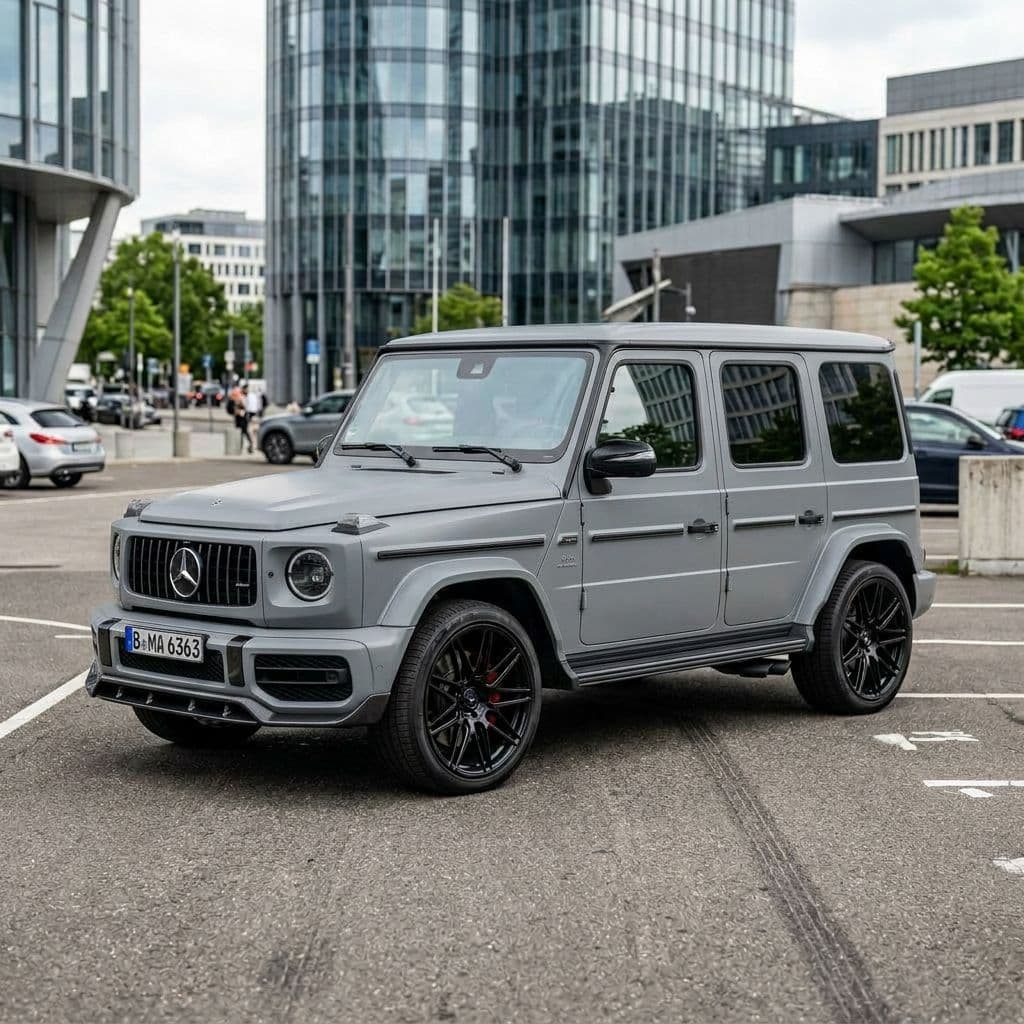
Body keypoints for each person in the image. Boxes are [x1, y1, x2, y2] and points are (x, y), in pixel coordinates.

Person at [245, 383, 263, 454]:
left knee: (251, 431)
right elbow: (260, 406)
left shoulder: (250, 395)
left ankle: (253, 445)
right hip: (256, 414)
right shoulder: (257, 395)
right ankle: (254, 445)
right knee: (254, 432)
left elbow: (247, 406)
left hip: (252, 414)